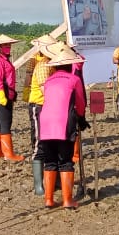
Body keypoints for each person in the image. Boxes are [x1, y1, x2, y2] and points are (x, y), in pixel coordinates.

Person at [37, 46, 88, 209]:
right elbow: (80, 103)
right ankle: (67, 200)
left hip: (45, 123)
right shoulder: (74, 80)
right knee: (65, 161)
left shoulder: (49, 80)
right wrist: (81, 118)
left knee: (50, 161)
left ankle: (49, 199)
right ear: (70, 65)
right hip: (63, 123)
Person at [25, 35, 57, 195]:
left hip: (48, 106)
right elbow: (47, 91)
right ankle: (38, 185)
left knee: (50, 143)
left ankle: (51, 179)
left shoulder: (52, 64)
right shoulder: (44, 65)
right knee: (39, 143)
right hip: (39, 105)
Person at [0, 34, 24, 162]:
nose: (8, 47)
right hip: (1, 95)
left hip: (7, 94)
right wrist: (2, 95)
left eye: (9, 45)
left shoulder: (5, 59)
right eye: (5, 45)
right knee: (6, 123)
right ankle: (8, 154)